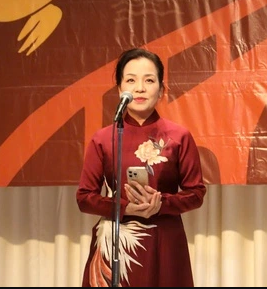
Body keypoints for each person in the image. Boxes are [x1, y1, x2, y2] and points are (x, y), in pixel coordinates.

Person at [77, 48, 207, 287]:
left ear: (161, 89)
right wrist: (126, 208)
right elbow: (84, 198)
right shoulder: (103, 138)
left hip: (164, 240)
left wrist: (161, 204)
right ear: (119, 89)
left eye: (149, 80)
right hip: (117, 243)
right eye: (130, 80)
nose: (139, 88)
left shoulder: (179, 136)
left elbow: (196, 193)